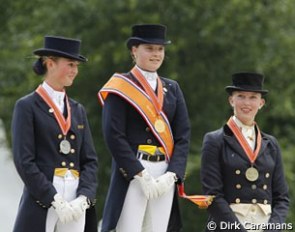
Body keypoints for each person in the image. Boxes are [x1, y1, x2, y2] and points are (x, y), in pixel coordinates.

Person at [98, 24, 191, 232]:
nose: (156, 54)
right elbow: (114, 135)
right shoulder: (120, 87)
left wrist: (173, 173)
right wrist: (138, 173)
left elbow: (183, 136)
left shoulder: (172, 88)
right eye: (149, 48)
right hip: (135, 171)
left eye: (160, 49)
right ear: (134, 50)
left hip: (165, 171)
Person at [11, 35, 98, 232]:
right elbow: (24, 161)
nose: (75, 71)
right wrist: (53, 198)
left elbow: (90, 160)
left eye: (76, 66)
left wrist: (84, 196)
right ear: (50, 63)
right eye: (70, 64)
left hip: (76, 200)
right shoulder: (27, 106)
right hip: (44, 198)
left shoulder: (78, 110)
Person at [200, 72, 289, 231]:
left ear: (261, 103)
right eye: (241, 96)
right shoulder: (214, 140)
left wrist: (272, 229)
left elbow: (282, 199)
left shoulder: (271, 144)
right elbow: (212, 195)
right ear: (231, 100)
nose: (246, 103)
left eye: (253, 97)